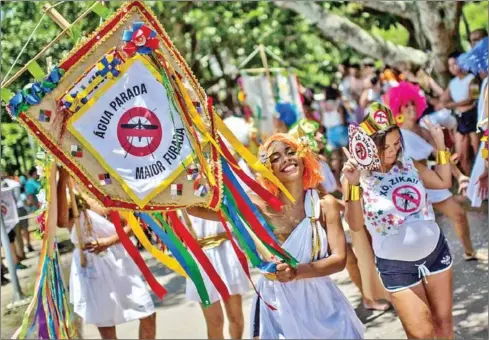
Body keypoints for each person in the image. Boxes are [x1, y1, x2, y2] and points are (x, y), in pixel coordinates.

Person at [189, 133, 364, 339]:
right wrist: (192, 175)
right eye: (276, 158)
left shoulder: (325, 204)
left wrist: (296, 271)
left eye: (291, 152)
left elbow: (339, 260)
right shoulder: (256, 206)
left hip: (322, 303)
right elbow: (194, 208)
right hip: (277, 303)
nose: (286, 159)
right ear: (268, 170)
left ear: (303, 158)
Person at [343, 103, 454, 339]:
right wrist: (352, 185)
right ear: (370, 146)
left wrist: (440, 144)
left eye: (396, 144)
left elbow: (443, 182)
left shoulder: (409, 164)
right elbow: (354, 224)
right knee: (422, 334)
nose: (392, 151)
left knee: (443, 325)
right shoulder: (358, 177)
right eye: (385, 146)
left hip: (436, 253)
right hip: (396, 267)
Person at [56, 168, 156, 340]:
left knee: (148, 314)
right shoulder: (68, 194)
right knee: (107, 327)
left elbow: (131, 226)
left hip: (120, 261)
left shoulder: (106, 187)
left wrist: (108, 242)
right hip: (91, 264)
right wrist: (63, 177)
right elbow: (61, 220)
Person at [387, 81, 480, 260]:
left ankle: (469, 252)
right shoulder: (396, 135)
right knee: (422, 229)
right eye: (406, 105)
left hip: (432, 179)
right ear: (399, 108)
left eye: (413, 103)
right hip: (411, 186)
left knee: (459, 214)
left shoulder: (424, 129)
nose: (411, 108)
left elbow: (440, 154)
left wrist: (460, 176)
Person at [185, 215, 249, 339]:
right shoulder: (176, 194)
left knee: (235, 317)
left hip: (226, 249)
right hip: (199, 254)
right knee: (215, 321)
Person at [439, 52, 479, 175]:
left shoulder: (472, 78)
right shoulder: (452, 83)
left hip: (473, 117)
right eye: (450, 65)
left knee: (480, 154)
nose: (452, 68)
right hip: (461, 118)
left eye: (455, 64)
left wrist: (453, 105)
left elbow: (473, 98)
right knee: (462, 156)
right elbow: (443, 99)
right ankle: (471, 187)